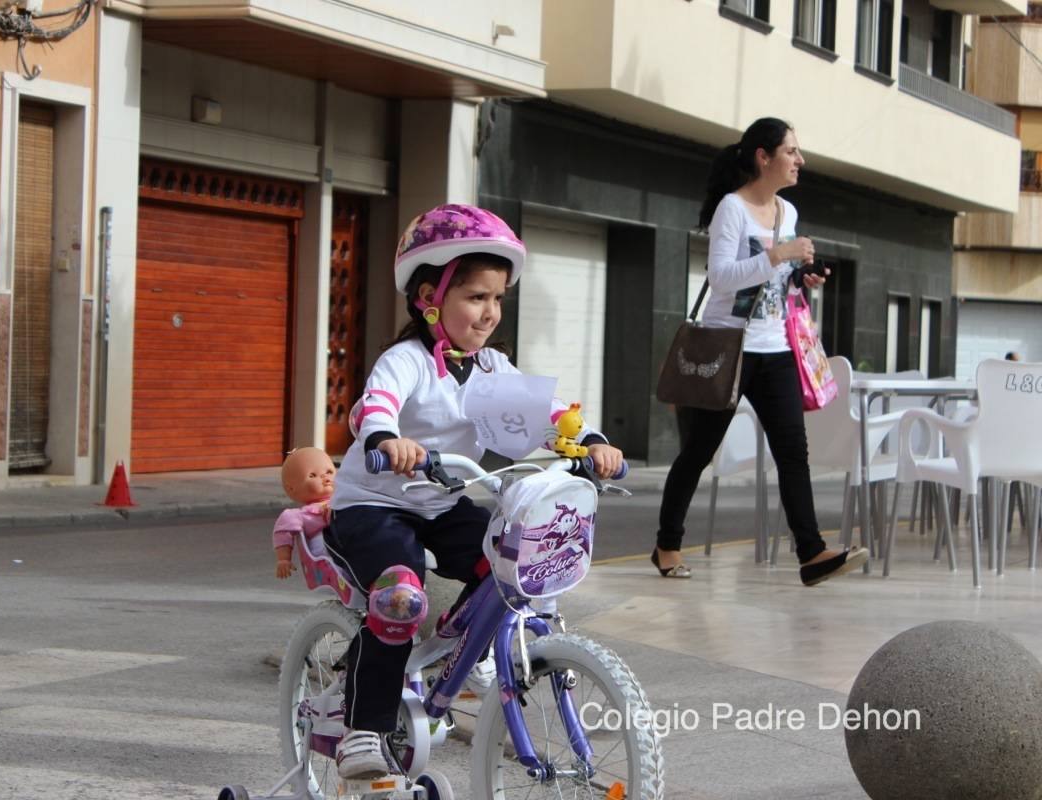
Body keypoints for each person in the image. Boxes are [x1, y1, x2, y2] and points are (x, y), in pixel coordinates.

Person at [324, 204, 625, 780]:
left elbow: (547, 416)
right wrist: (389, 438)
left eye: (497, 298)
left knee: (507, 568)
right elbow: (375, 409)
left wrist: (589, 441)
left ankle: (460, 660)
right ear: (429, 299)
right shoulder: (406, 361)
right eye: (475, 297)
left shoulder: (492, 367)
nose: (489, 312)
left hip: (441, 500)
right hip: (373, 505)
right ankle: (361, 730)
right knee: (399, 596)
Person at [652, 117, 868, 587]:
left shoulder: (787, 212)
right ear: (763, 157)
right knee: (699, 452)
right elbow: (723, 278)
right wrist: (778, 255)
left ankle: (811, 553)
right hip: (728, 347)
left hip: (775, 346)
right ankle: (667, 542)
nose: (800, 160)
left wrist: (799, 276)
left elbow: (776, 282)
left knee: (793, 450)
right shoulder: (732, 209)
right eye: (791, 151)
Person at [271, 447, 335, 579]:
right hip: (326, 550)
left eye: (329, 472)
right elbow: (282, 531)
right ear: (291, 488)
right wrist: (283, 558)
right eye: (313, 475)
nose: (325, 477)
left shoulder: (345, 498)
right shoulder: (298, 515)